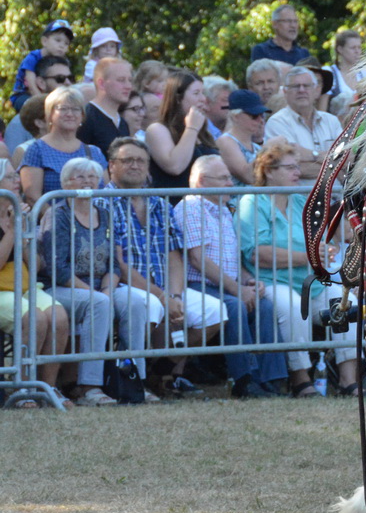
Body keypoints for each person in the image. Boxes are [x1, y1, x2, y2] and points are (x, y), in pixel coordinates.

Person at [237, 141, 357, 397]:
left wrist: (326, 250)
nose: (297, 173)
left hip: (309, 282)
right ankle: (301, 379)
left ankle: (349, 380)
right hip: (269, 282)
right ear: (268, 171)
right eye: (290, 167)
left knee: (345, 300)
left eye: (297, 167)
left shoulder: (300, 201)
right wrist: (309, 256)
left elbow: (320, 241)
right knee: (292, 306)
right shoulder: (252, 201)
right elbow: (259, 254)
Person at [107, 139, 226, 398]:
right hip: (124, 286)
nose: (135, 166)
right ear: (111, 166)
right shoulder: (103, 202)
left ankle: (158, 373)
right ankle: (132, 380)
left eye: (140, 161)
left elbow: (174, 254)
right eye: (127, 160)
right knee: (150, 306)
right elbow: (119, 264)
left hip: (163, 288)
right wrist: (163, 298)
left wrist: (175, 296)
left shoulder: (159, 203)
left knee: (214, 311)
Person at [174, 156, 287, 398]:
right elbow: (198, 260)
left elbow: (233, 260)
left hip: (225, 285)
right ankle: (244, 380)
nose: (230, 183)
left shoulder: (224, 210)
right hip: (197, 285)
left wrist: (248, 281)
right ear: (202, 182)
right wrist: (238, 290)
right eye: (224, 178)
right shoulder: (190, 206)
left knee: (265, 305)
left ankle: (272, 380)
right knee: (235, 306)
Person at [39, 156, 142, 404]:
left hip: (100, 286)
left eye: (92, 177)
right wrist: (97, 293)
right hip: (62, 287)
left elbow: (114, 264)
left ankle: (135, 381)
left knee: (136, 302)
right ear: (66, 184)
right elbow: (57, 268)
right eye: (80, 177)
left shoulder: (104, 214)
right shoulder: (58, 214)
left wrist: (107, 288)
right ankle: (89, 387)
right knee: (99, 303)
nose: (87, 182)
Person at [0, 160, 69, 400]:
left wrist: (26, 238)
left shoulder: (20, 213)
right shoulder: (11, 219)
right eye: (10, 177)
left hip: (25, 286)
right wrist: (10, 232)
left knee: (59, 317)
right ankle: (24, 389)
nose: (17, 181)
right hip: (1, 291)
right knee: (35, 319)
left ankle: (48, 389)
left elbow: (37, 265)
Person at [21, 86, 110, 203]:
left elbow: (106, 192)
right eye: (63, 109)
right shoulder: (37, 150)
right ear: (49, 114)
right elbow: (32, 195)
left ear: (82, 115)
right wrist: (56, 218)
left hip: (91, 219)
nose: (70, 114)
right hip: (51, 219)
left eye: (76, 109)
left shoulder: (94, 152)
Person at [143, 70, 219, 190]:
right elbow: (175, 166)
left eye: (203, 93)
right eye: (196, 93)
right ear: (178, 98)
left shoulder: (202, 130)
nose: (203, 99)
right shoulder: (157, 129)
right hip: (174, 204)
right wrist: (191, 128)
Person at [263, 66, 343, 172]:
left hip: (334, 188)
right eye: (295, 86)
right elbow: (292, 168)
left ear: (316, 90)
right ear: (285, 92)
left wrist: (310, 155)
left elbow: (347, 158)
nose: (301, 90)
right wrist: (333, 164)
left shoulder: (331, 121)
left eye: (306, 86)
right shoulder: (277, 122)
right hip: (302, 189)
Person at [10, 19, 75, 112]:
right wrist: (43, 101)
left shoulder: (63, 61)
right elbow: (31, 82)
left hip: (47, 95)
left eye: (66, 43)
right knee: (33, 108)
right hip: (23, 94)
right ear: (44, 41)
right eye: (58, 40)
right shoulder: (33, 57)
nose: (62, 45)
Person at [215, 88, 269, 183]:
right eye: (254, 116)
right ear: (236, 116)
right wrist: (268, 148)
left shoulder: (256, 147)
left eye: (262, 115)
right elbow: (248, 176)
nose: (260, 120)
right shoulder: (225, 142)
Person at [78, 57, 132, 150]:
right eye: (121, 80)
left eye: (129, 80)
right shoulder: (86, 119)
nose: (128, 86)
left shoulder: (123, 123)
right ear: (101, 83)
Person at [250, 2, 310, 67]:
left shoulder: (304, 54)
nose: (293, 25)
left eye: (295, 21)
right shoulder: (262, 51)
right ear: (275, 24)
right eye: (288, 21)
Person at [326, 30, 366, 115]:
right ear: (340, 49)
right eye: (353, 48)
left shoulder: (364, 73)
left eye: (359, 47)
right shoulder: (330, 73)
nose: (357, 51)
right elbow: (322, 110)